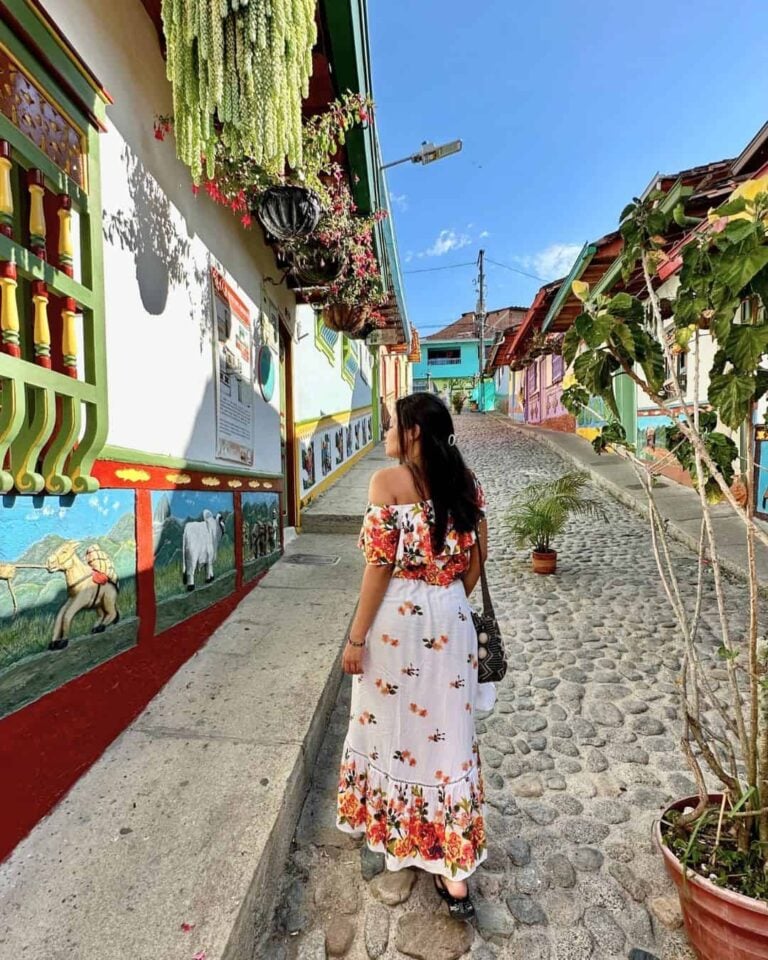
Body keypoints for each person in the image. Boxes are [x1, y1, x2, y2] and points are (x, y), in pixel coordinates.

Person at [336, 392, 490, 920]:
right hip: (452, 621)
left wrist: (356, 639)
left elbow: (378, 568)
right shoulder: (466, 484)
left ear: (414, 432)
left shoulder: (388, 484)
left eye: (391, 426)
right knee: (450, 737)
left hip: (399, 624)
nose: (385, 434)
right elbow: (477, 559)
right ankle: (454, 872)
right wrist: (445, 599)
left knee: (393, 731)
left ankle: (400, 842)